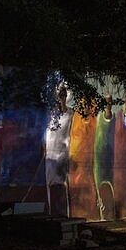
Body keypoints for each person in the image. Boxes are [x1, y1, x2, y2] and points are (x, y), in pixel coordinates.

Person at [45, 82, 73, 216]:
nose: (62, 96)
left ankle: (67, 215)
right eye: (60, 93)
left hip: (64, 155)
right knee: (49, 185)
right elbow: (44, 132)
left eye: (64, 93)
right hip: (50, 155)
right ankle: (51, 214)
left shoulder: (71, 114)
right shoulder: (51, 114)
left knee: (65, 186)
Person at [93, 94, 115, 220]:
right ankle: (102, 217)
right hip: (98, 160)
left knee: (110, 191)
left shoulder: (114, 117)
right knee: (99, 192)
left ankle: (110, 217)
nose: (108, 104)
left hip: (110, 161)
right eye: (106, 102)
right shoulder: (97, 117)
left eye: (110, 102)